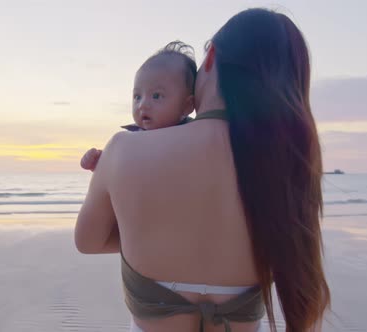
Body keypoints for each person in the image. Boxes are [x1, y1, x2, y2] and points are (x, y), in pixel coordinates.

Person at [75, 8, 330, 332]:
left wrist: (142, 222)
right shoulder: (287, 164)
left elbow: (88, 242)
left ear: (210, 59)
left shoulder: (123, 149)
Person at [81, 41, 196, 172]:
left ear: (187, 106)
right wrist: (99, 162)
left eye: (157, 96)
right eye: (137, 97)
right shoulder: (131, 139)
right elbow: (117, 169)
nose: (142, 105)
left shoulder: (193, 137)